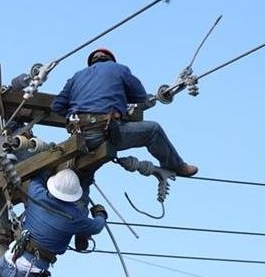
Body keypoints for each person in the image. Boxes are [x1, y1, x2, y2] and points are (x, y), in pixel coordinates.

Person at [51, 48, 198, 181]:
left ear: (91, 63)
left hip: (79, 137)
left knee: (84, 176)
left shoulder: (76, 77)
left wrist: (77, 116)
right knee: (153, 130)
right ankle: (175, 165)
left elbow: (56, 106)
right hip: (104, 132)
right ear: (110, 59)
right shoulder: (119, 69)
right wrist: (118, 100)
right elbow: (140, 96)